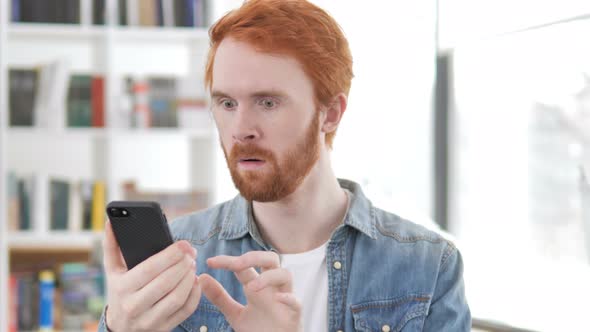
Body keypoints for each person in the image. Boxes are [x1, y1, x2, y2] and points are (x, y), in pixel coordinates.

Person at [99, 0, 471, 331]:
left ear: (330, 114)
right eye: (227, 104)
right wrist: (117, 327)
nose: (241, 130)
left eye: (268, 103)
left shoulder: (427, 266)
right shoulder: (179, 259)